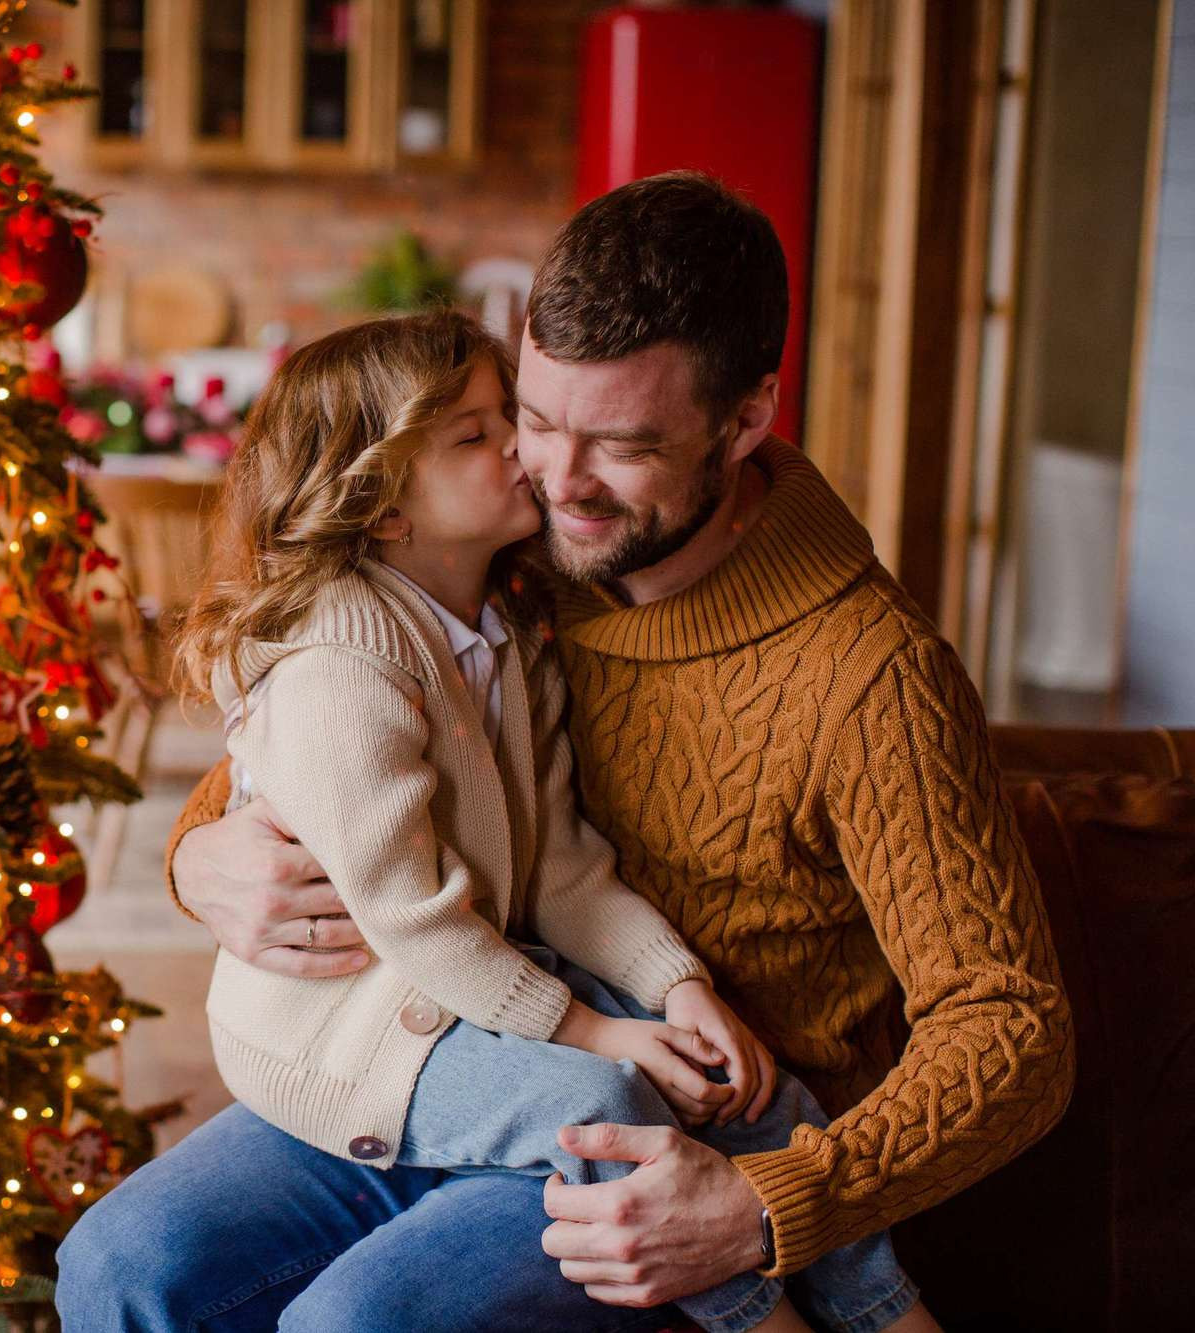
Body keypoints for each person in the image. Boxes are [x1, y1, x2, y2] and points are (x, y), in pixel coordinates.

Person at [56, 173, 1073, 1330]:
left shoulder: (869, 677)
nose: (555, 478)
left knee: (357, 1323)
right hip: (443, 1041)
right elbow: (337, 734)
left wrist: (763, 1204)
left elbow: (1012, 1030)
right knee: (119, 1266)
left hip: (682, 1123)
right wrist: (202, 856)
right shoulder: (519, 560)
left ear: (743, 422)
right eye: (534, 420)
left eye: (623, 444)